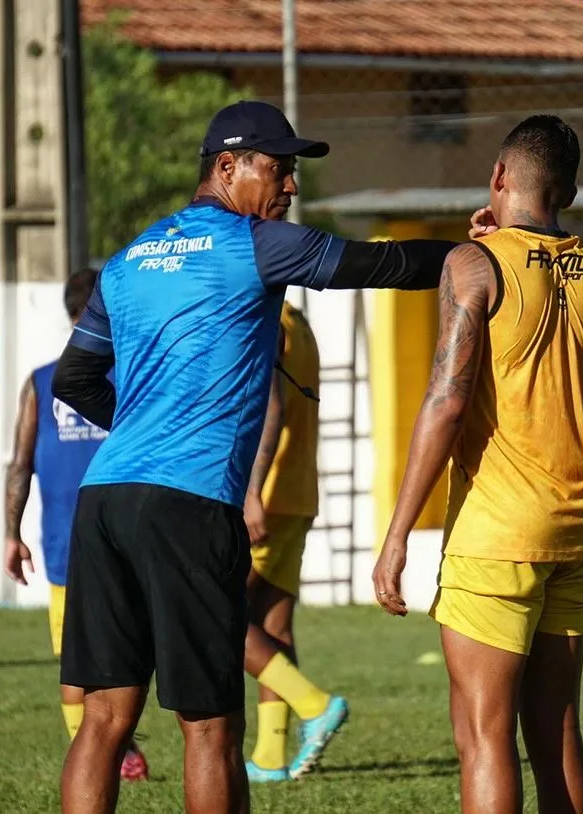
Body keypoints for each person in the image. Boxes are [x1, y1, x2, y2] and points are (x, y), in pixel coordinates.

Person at [51, 100, 458, 814]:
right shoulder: (256, 244)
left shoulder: (125, 261)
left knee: (106, 718)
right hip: (190, 501)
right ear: (228, 167)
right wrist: (473, 254)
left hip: (106, 498)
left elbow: (73, 379)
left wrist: (147, 425)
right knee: (210, 725)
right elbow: (383, 263)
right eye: (281, 168)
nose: (291, 187)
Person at [372, 115, 583, 814]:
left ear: (499, 176)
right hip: (578, 522)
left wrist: (397, 536)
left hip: (499, 529)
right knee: (556, 726)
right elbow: (542, 290)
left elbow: (447, 404)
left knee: (484, 734)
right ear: (567, 192)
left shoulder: (470, 265)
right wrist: (491, 245)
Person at [2, 269, 148, 782]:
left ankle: (107, 752)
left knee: (77, 660)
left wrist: (10, 532)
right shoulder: (133, 372)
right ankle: (114, 751)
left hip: (72, 544)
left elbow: (20, 464)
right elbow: (21, 462)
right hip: (129, 536)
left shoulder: (44, 382)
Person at [243, 300, 326, 783]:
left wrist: (250, 492)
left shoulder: (269, 321)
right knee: (272, 623)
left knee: (211, 614)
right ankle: (272, 755)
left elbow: (270, 404)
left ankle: (313, 704)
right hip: (296, 492)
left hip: (266, 496)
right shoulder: (299, 323)